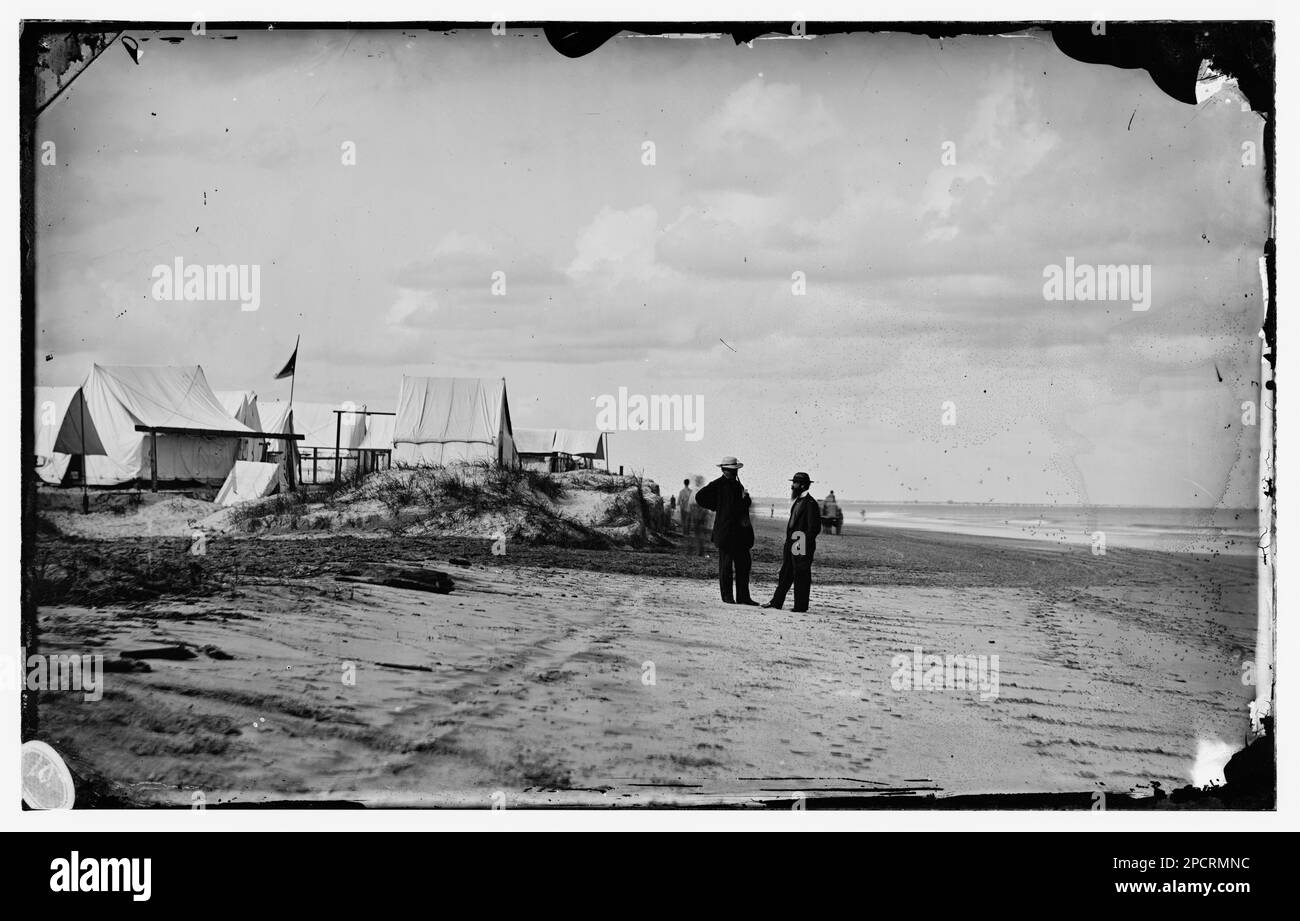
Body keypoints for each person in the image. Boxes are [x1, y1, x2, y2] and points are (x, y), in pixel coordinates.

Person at [692, 456, 757, 605]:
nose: (734, 473)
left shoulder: (738, 485)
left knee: (743, 566)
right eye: (730, 470)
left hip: (740, 534)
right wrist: (718, 507)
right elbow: (699, 497)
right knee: (726, 567)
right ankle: (727, 597)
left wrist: (746, 499)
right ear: (723, 470)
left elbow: (742, 505)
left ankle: (743, 597)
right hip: (726, 533)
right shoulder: (717, 484)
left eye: (735, 470)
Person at [763, 471, 821, 613]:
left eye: (794, 483)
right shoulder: (798, 501)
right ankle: (776, 602)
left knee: (801, 573)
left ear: (802, 485)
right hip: (792, 542)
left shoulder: (810, 503)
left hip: (800, 543)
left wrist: (800, 543)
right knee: (786, 572)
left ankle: (800, 606)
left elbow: (814, 528)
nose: (792, 486)